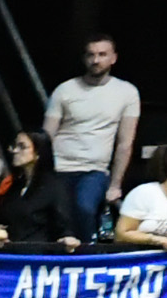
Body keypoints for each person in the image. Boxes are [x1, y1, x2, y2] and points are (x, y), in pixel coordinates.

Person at [41, 35, 140, 240]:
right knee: (56, 216)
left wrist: (115, 184)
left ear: (113, 58)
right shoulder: (65, 89)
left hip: (93, 170)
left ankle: (86, 259)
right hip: (59, 167)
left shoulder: (127, 92)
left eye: (102, 55)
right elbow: (47, 135)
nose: (96, 60)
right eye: (91, 55)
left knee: (84, 208)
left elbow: (125, 143)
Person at [0, 131, 78, 252]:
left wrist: (68, 239)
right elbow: (2, 220)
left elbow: (64, 226)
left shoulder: (55, 187)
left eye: (22, 147)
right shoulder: (13, 186)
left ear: (38, 153)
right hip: (11, 258)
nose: (15, 151)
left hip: (39, 259)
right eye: (15, 146)